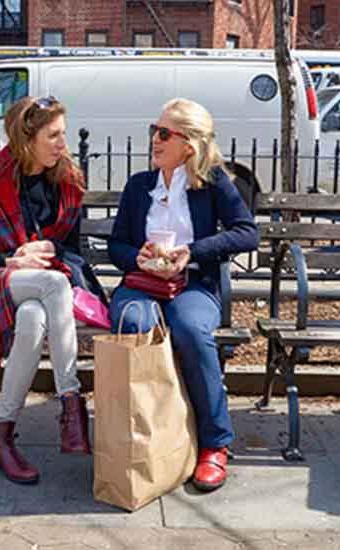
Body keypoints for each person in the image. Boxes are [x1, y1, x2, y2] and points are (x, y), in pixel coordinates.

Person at [108, 98, 258, 493]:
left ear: (188, 145)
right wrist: (138, 257)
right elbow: (117, 246)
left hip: (193, 284)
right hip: (142, 284)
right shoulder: (139, 186)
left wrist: (194, 252)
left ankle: (214, 444)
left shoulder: (213, 183)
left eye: (163, 133)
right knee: (136, 324)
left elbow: (247, 232)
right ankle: (144, 437)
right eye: (154, 131)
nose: (154, 140)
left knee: (190, 329)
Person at [0, 96, 103, 485]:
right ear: (28, 140)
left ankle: (1, 432)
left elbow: (73, 251)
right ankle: (72, 404)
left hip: (41, 292)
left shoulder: (67, 183)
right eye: (53, 135)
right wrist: (11, 262)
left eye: (63, 133)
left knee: (33, 317)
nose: (63, 143)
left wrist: (51, 248)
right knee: (54, 283)